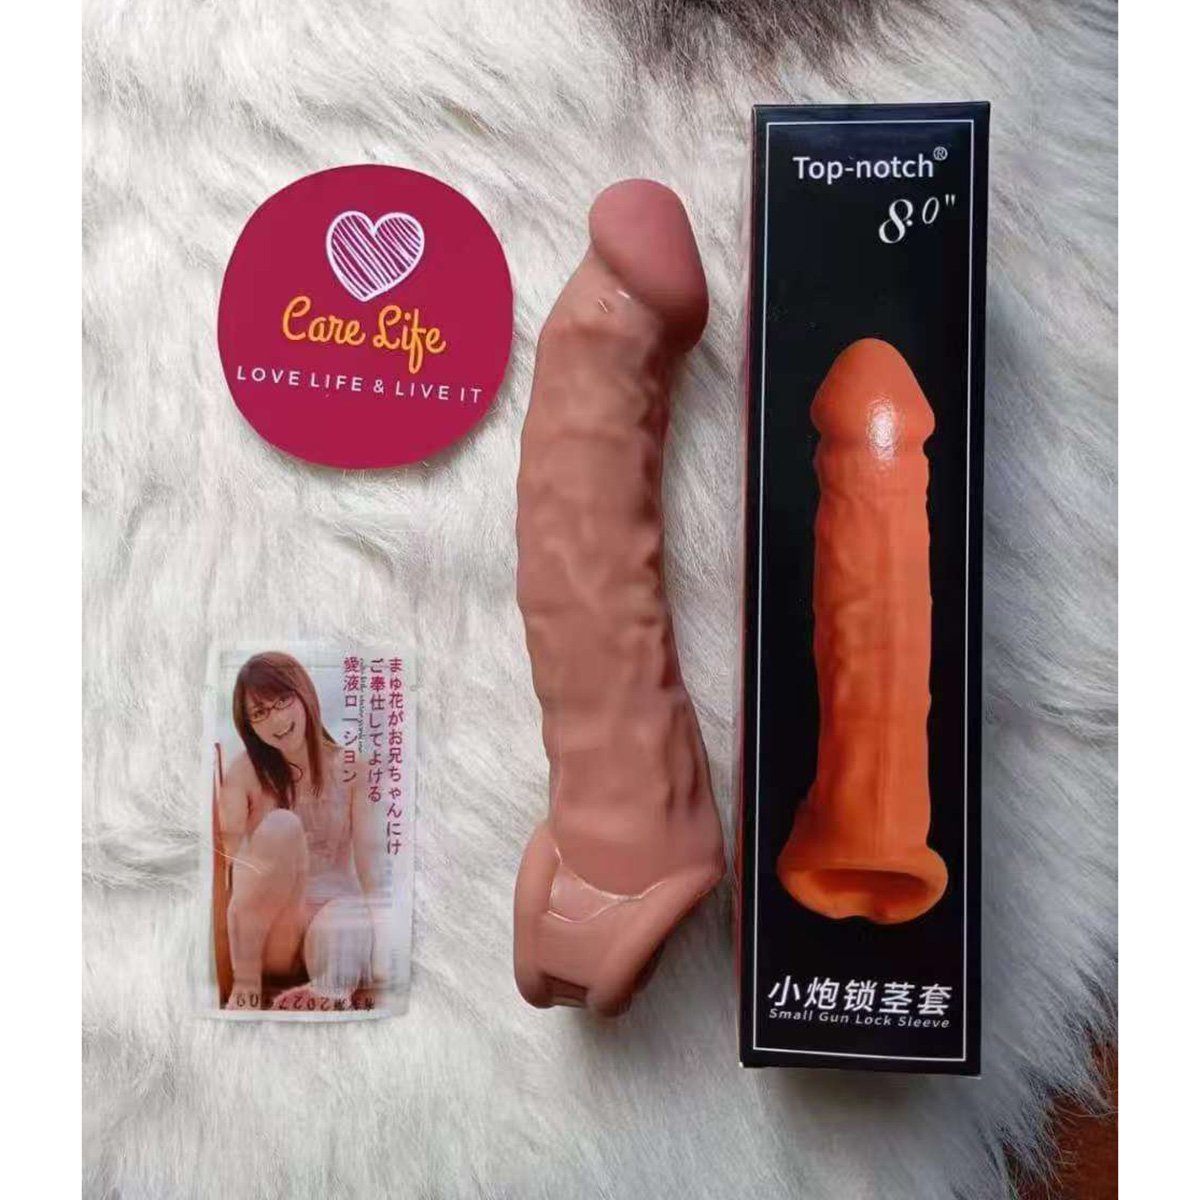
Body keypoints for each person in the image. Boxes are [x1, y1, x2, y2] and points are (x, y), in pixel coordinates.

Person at [217, 651, 386, 1010]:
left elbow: (372, 875)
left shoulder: (354, 769)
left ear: (304, 693)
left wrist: (380, 965)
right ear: (248, 725)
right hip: (273, 933)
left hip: (330, 922)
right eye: (260, 713)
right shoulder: (244, 773)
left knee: (348, 915)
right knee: (282, 826)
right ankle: (247, 984)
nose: (276, 720)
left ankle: (328, 992)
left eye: (282, 701)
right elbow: (228, 871)